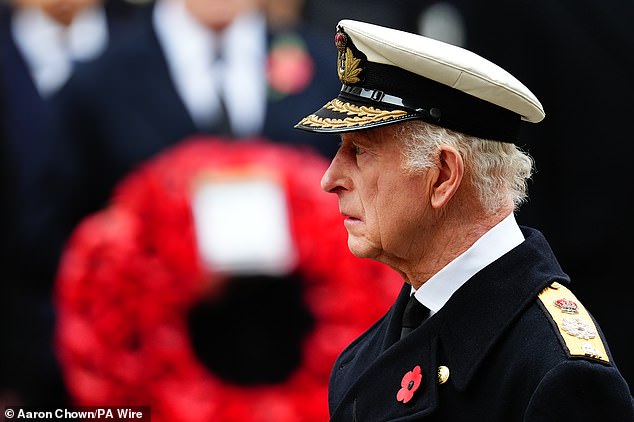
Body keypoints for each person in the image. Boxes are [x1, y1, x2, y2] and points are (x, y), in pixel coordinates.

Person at [294, 19, 634, 421]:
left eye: (361, 151)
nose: (329, 179)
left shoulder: (555, 371)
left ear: (442, 176)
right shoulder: (371, 351)